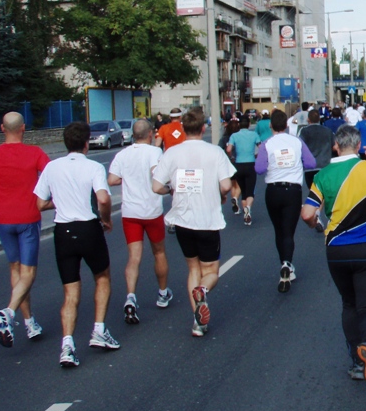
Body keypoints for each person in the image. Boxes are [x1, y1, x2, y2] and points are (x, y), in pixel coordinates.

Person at [300, 125, 366, 384]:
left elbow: (307, 214)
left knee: (348, 304)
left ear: (335, 146)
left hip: (336, 249)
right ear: (359, 147)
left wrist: (318, 225)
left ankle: (356, 361)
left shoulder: (323, 176)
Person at [34, 121, 119, 368]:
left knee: (70, 291)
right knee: (102, 277)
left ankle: (67, 346)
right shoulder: (93, 167)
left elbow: (40, 204)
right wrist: (105, 219)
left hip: (63, 231)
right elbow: (103, 198)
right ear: (85, 143)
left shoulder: (51, 167)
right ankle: (99, 330)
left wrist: (58, 202)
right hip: (88, 228)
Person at [152, 108, 236, 337]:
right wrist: (219, 190)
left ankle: (198, 322)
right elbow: (227, 185)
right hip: (207, 220)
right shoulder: (215, 152)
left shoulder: (171, 153)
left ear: (181, 128)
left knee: (193, 268)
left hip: (182, 220)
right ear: (203, 128)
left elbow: (156, 186)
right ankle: (203, 290)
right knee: (211, 271)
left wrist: (172, 188)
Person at [0, 112, 50, 347]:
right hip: (28, 217)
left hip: (2, 219)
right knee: (28, 273)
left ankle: (29, 321)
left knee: (14, 269)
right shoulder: (35, 153)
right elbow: (51, 177)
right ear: (23, 128)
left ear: (2, 128)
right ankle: (10, 313)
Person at [107, 118, 172, 325]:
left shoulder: (122, 154)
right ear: (151, 133)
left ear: (133, 135)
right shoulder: (155, 152)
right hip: (151, 210)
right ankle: (162, 293)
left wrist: (128, 178)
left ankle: (131, 297)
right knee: (159, 252)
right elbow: (157, 175)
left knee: (134, 257)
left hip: (130, 212)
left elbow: (111, 180)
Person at [255, 109, 316, 291]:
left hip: (273, 190)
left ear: (271, 125)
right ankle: (287, 265)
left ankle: (283, 262)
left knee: (279, 230)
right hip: (293, 190)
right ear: (287, 124)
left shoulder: (267, 144)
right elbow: (311, 163)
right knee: (289, 231)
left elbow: (259, 169)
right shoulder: (297, 142)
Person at [226, 115, 260, 226]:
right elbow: (261, 147)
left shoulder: (234, 136)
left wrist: (232, 157)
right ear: (249, 124)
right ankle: (248, 208)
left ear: (239, 124)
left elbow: (229, 149)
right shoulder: (254, 134)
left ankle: (245, 209)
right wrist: (258, 156)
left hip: (238, 165)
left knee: (243, 191)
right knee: (250, 190)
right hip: (250, 164)